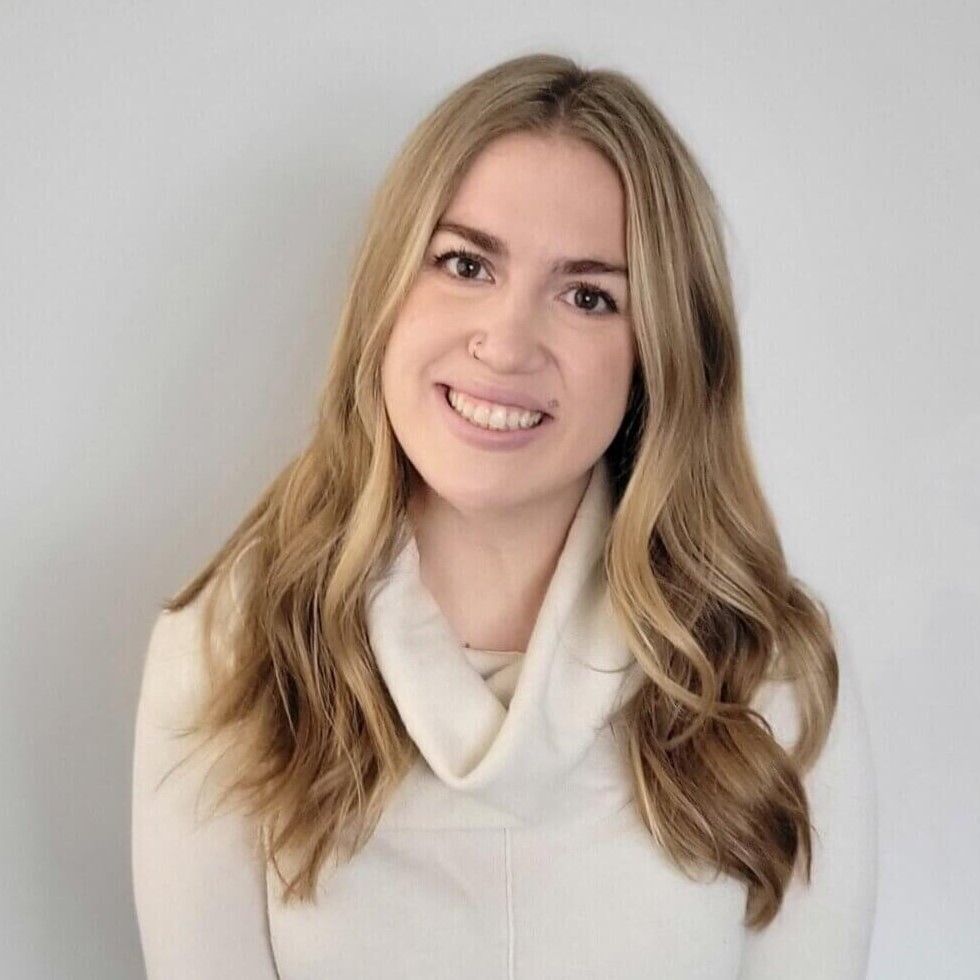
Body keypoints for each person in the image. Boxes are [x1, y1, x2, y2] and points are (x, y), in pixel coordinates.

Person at [131, 52, 877, 978]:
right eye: (466, 263)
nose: (507, 343)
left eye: (588, 296)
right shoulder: (228, 653)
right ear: (386, 294)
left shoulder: (767, 670)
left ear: (659, 356)